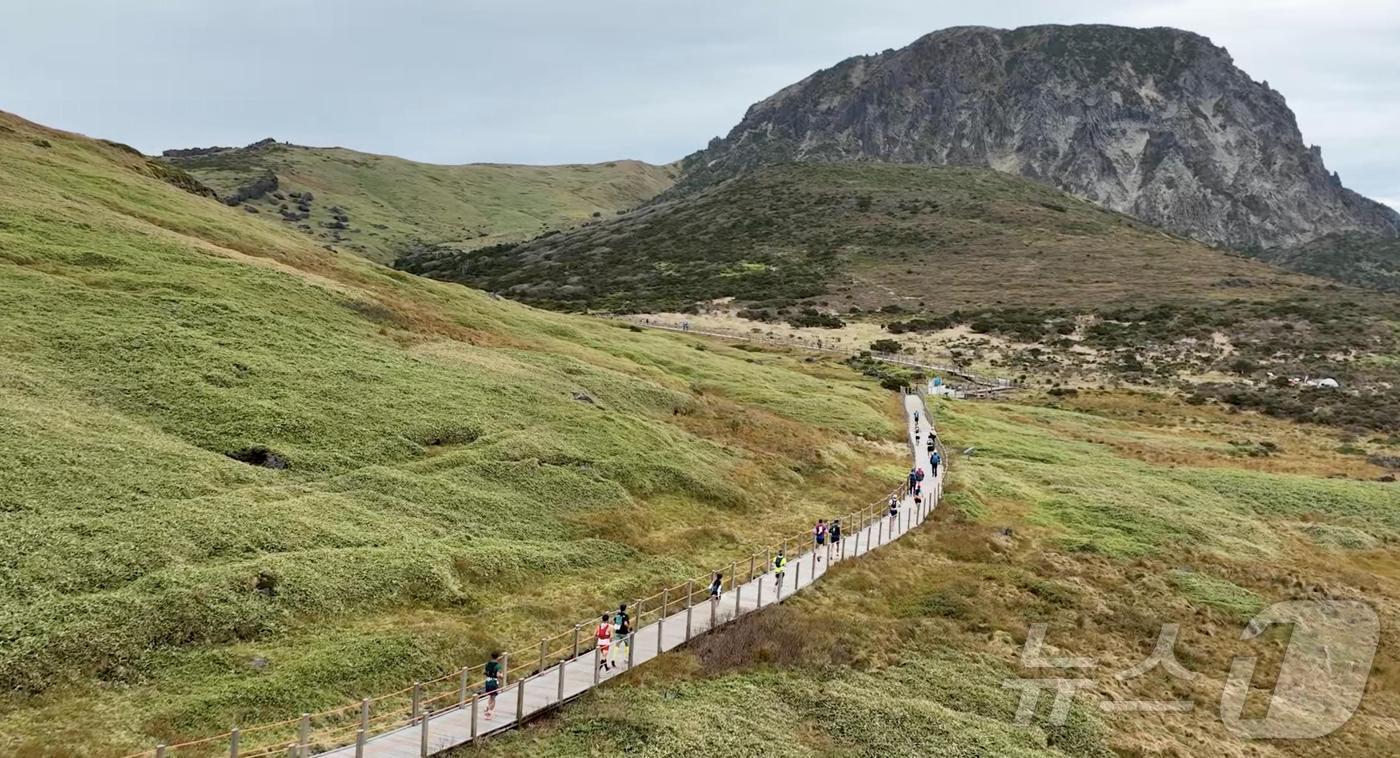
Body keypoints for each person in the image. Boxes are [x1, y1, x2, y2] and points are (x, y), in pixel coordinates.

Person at [483, 652, 503, 719]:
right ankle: (489, 711)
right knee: (493, 698)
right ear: (497, 657)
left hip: (487, 681)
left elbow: (485, 672)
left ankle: (488, 708)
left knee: (490, 696)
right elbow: (498, 675)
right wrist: (501, 676)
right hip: (494, 682)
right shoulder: (498, 665)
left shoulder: (488, 664)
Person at [612, 603, 632, 668]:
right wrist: (629, 628)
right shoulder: (626, 615)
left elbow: (614, 622)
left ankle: (613, 659)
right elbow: (625, 623)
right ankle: (626, 659)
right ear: (625, 609)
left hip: (618, 632)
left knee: (617, 646)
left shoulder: (617, 615)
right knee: (627, 645)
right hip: (624, 633)